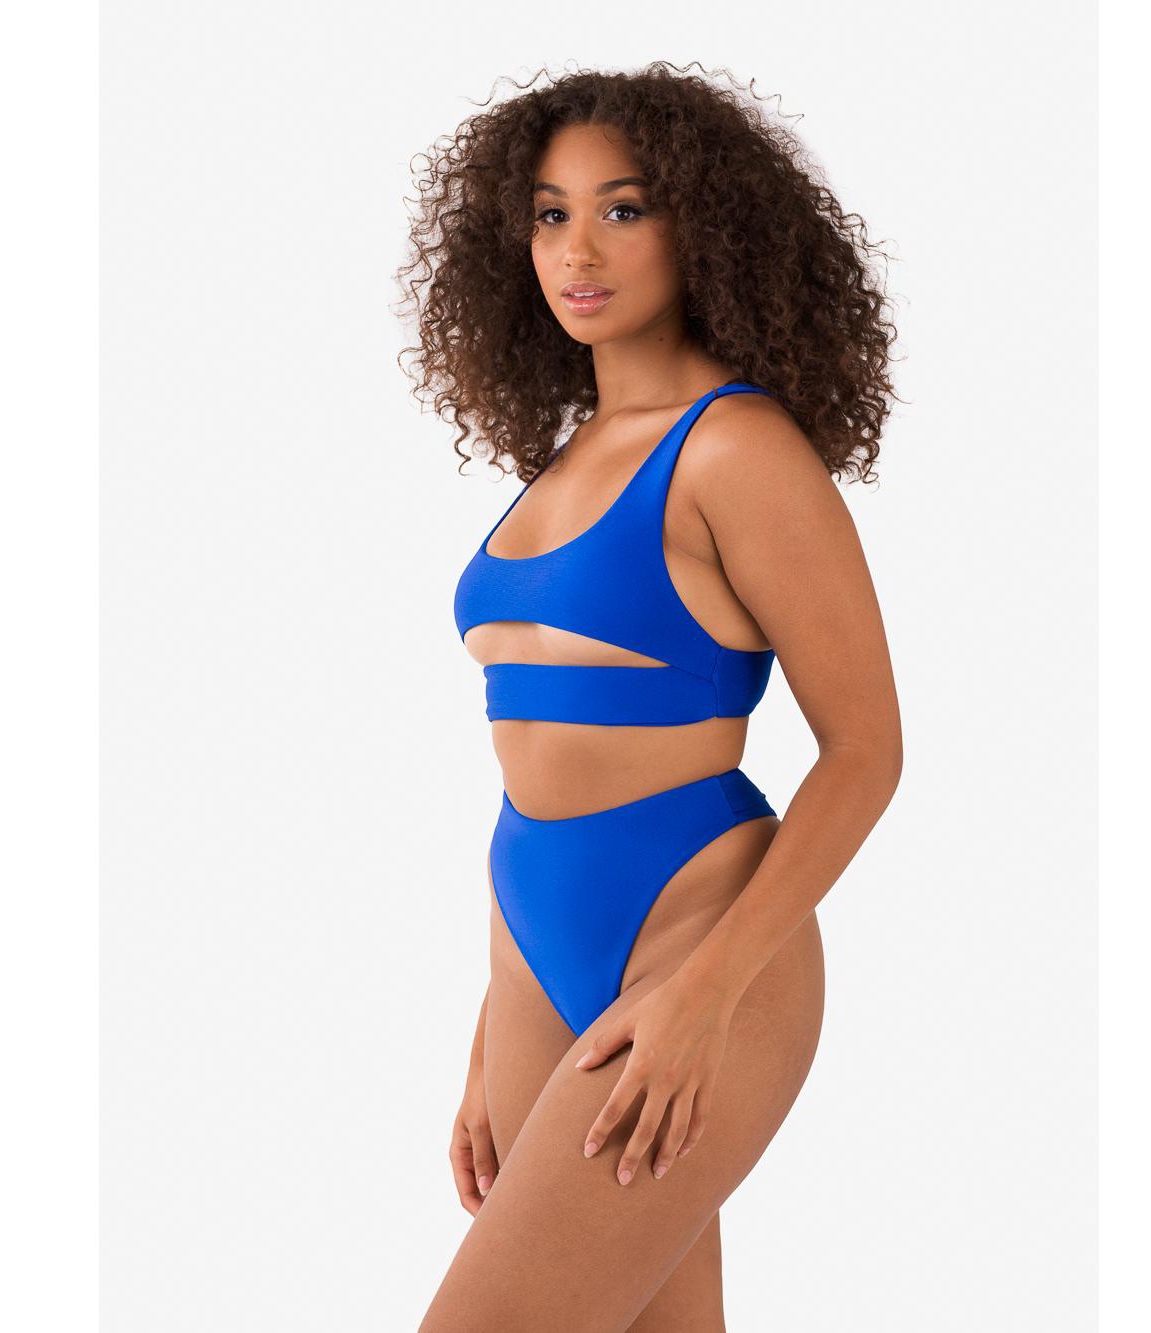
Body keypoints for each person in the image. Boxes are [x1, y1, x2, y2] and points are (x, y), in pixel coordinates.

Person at [395, 62, 903, 1332]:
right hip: (532, 937)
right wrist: (491, 1016)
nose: (579, 249)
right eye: (550, 213)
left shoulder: (736, 448)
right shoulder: (567, 455)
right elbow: (535, 758)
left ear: (704, 226)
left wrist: (706, 995)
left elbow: (866, 750)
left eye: (623, 209)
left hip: (700, 936)